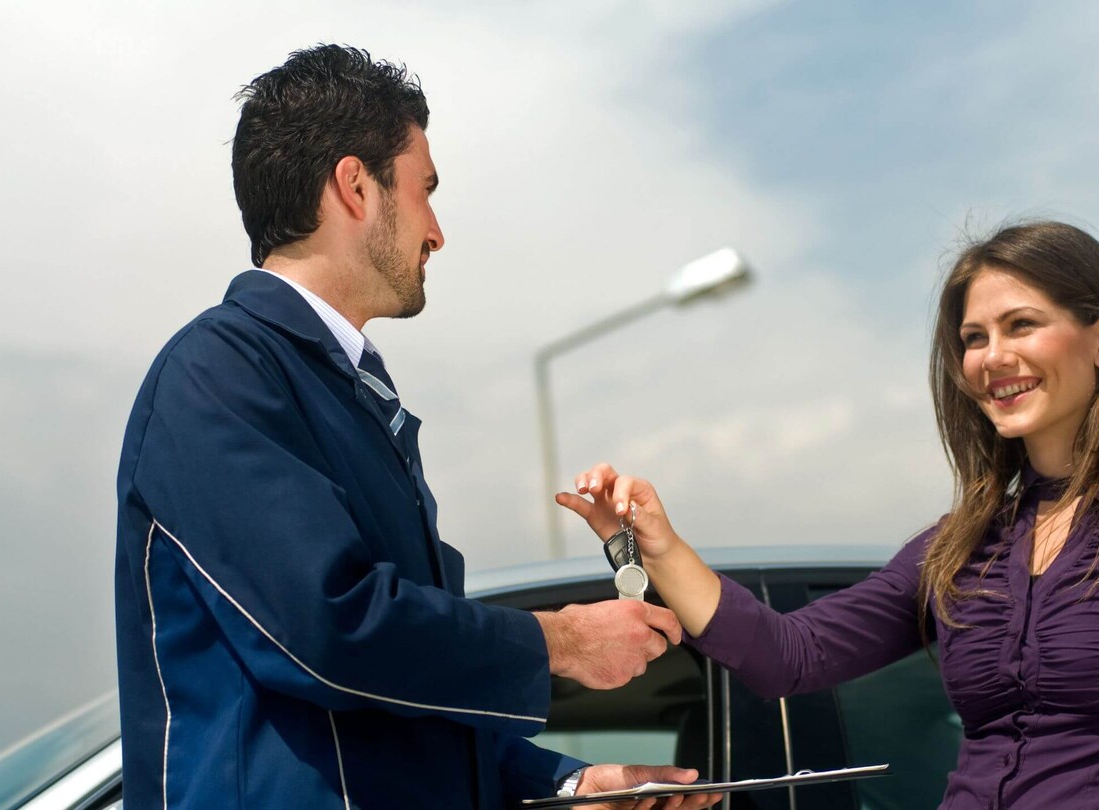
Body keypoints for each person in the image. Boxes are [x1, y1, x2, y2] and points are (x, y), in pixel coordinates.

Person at [114, 44, 718, 809]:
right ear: (355, 186)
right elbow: (329, 633)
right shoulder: (217, 375)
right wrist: (560, 641)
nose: (437, 231)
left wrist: (567, 783)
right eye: (425, 190)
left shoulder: (341, 389)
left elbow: (408, 692)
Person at [559, 221, 1099, 808]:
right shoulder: (959, 547)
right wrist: (656, 543)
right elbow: (789, 655)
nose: (992, 357)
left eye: (1021, 325)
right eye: (974, 338)